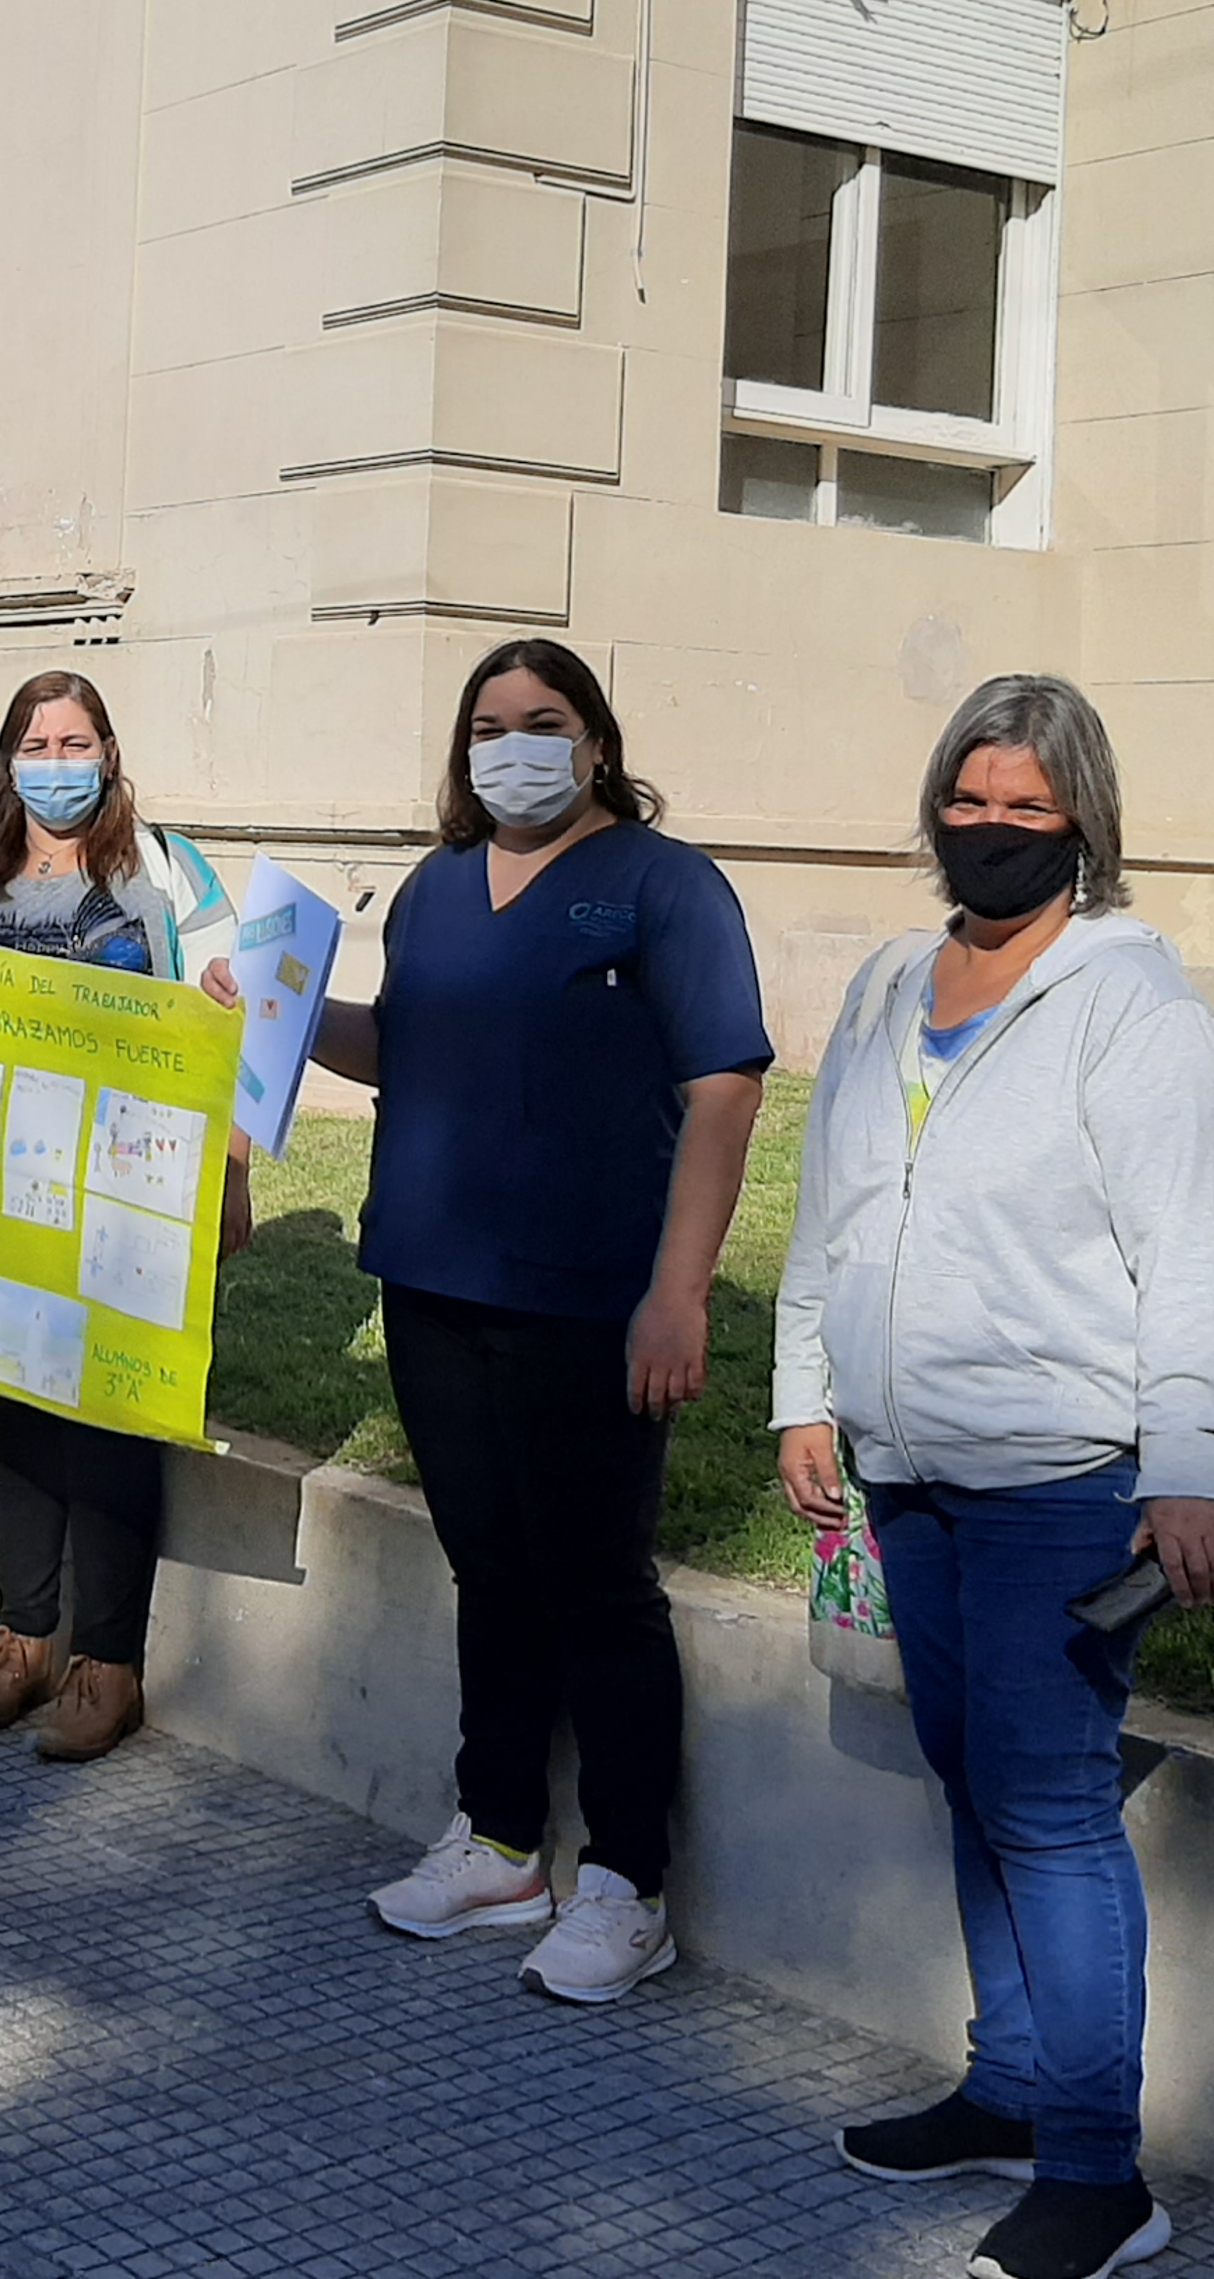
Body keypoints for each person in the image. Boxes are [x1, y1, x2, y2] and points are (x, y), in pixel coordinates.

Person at [774, 675, 1214, 2279]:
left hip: (1063, 1476)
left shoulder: (1136, 1007)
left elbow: (1185, 1259)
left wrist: (1187, 1466)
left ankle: (1102, 2173)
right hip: (906, 1463)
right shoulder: (893, 982)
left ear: (1083, 828)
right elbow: (830, 1201)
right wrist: (802, 1395)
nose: (989, 829)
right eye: (968, 801)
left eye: (1025, 810)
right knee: (973, 1783)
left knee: (1049, 1812)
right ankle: (1010, 2084)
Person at [312, 637, 768, 2004]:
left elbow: (725, 1087)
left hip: (588, 1294)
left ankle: (629, 1882)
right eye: (491, 725)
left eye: (546, 721)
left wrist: (676, 1292)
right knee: (489, 1568)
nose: (516, 746)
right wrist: (279, 1016)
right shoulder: (439, 888)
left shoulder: (663, 887)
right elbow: (411, 1048)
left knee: (595, 1585)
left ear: (598, 742)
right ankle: (503, 1839)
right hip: (436, 1280)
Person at [0, 669, 247, 1765]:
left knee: (118, 1417)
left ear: (109, 750)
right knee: (23, 1412)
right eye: (35, 743)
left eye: (74, 739)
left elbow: (233, 1022)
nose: (55, 761)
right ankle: (22, 1639)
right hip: (7, 1189)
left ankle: (108, 1664)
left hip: (140, 1189)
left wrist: (230, 1174)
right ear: (7, 761)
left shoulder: (168, 869)